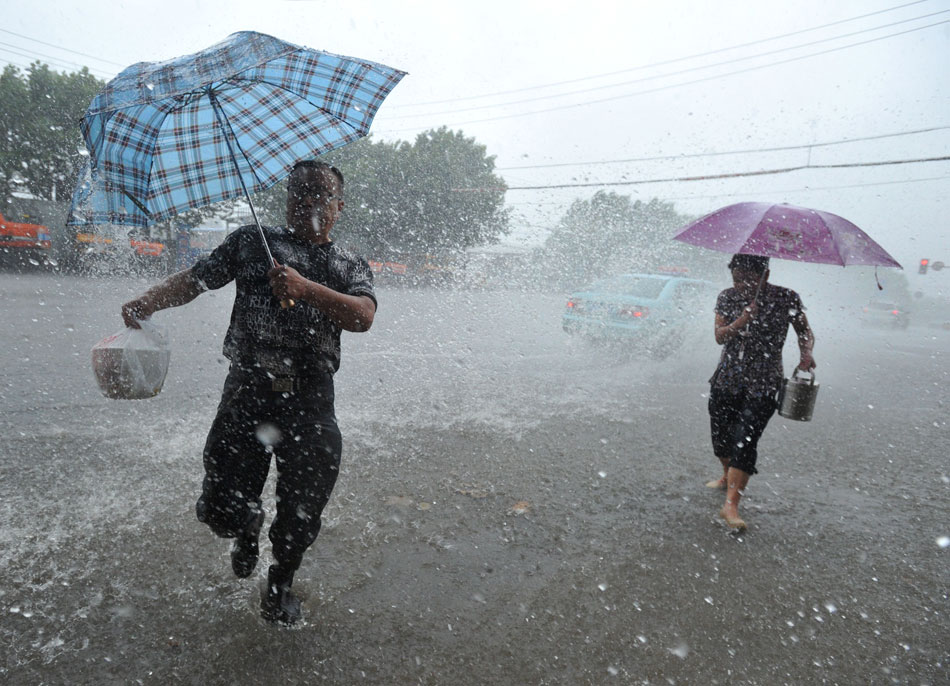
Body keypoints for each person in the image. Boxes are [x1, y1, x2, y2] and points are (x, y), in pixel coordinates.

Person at [121, 160, 376, 624]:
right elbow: (196, 279)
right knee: (217, 508)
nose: (309, 202)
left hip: (310, 400)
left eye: (321, 195)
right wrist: (148, 300)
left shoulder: (348, 263)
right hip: (247, 393)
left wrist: (305, 288)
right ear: (286, 199)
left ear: (339, 206)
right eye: (299, 192)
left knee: (303, 511)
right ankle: (245, 522)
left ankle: (279, 583)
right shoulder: (251, 242)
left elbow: (362, 316)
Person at [705, 254, 815, 531]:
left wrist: (806, 354)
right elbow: (719, 336)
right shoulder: (727, 297)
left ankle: (731, 505)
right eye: (737, 278)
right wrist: (742, 320)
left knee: (746, 440)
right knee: (721, 439)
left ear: (765, 275)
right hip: (727, 378)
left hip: (764, 381)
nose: (742, 284)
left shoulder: (786, 298)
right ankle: (726, 474)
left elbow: (804, 332)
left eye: (749, 278)